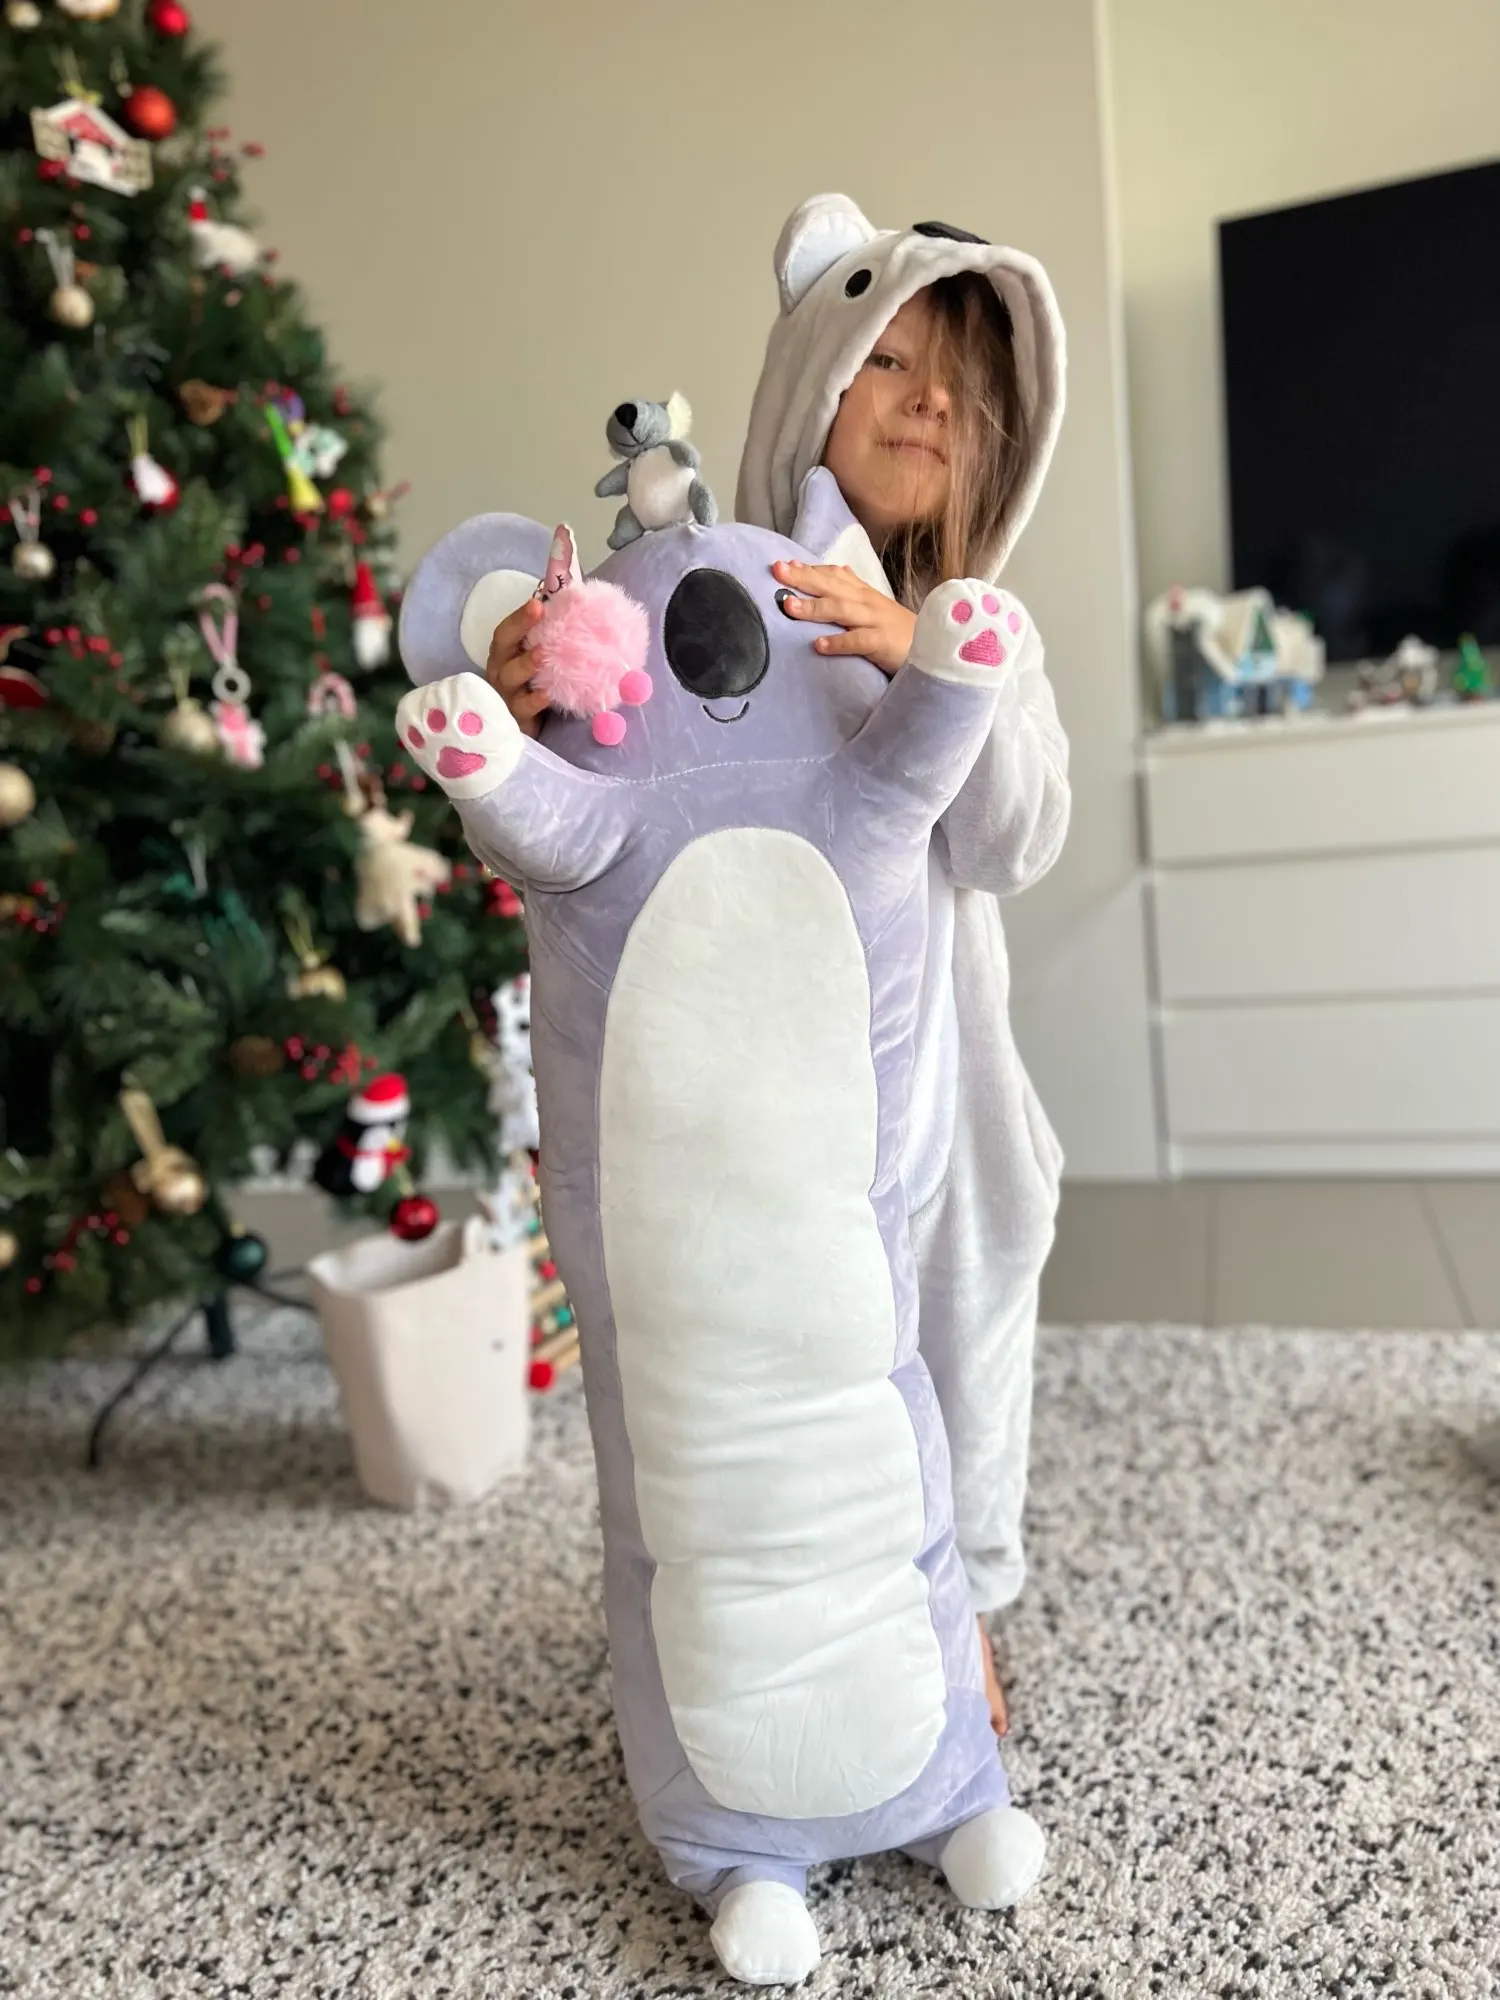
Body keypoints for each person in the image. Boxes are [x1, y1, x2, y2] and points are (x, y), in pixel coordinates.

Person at [485, 193, 1070, 1741]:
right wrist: (529, 699)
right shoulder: (712, 591)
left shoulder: (984, 625)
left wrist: (931, 662)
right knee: (770, 1362)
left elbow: (1015, 841)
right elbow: (601, 799)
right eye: (892, 361)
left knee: (952, 1341)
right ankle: (758, 1628)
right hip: (757, 1088)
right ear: (816, 374)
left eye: (968, 388)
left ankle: (961, 1605)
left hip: (934, 1090)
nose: (931, 402)